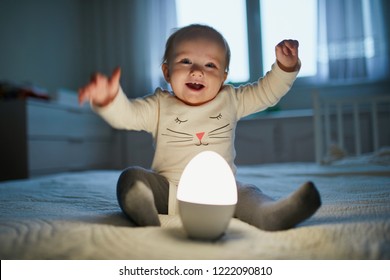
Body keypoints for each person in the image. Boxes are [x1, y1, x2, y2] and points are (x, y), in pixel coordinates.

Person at [78, 24, 321, 231]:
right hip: (171, 192)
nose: (197, 71)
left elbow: (267, 93)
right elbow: (128, 116)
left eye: (210, 65)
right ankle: (144, 211)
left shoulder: (231, 99)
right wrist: (109, 100)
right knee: (131, 178)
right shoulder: (160, 105)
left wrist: (285, 68)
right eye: (185, 61)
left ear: (224, 76)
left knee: (248, 193)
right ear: (167, 71)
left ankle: (270, 214)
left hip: (222, 193)